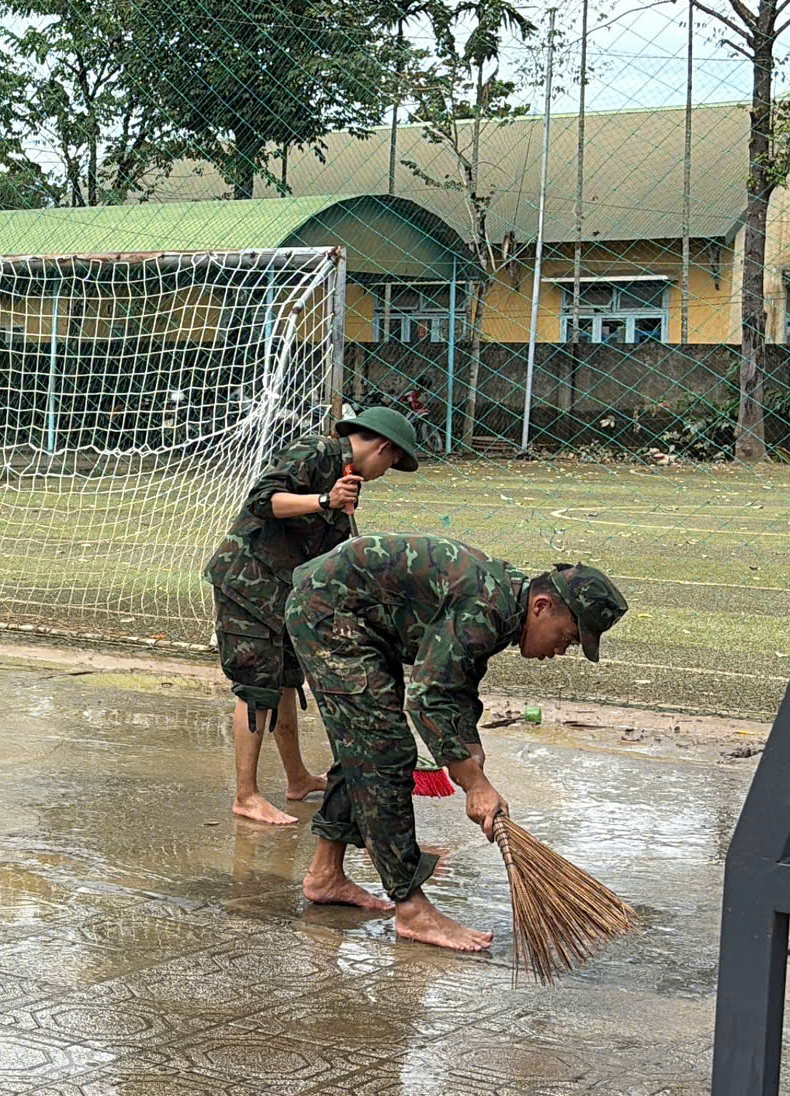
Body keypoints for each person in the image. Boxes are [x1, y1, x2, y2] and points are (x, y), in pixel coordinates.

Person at [285, 534, 627, 952]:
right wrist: (473, 782)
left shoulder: (504, 607)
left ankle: (325, 874)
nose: (562, 650)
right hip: (328, 611)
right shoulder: (487, 605)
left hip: (363, 618)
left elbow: (456, 678)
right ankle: (410, 907)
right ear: (542, 607)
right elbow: (428, 695)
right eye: (569, 637)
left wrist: (469, 748)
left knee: (362, 741)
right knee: (382, 750)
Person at [202, 407, 425, 827]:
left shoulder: (346, 481)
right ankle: (246, 796)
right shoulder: (316, 451)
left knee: (287, 681)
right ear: (382, 447)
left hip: (284, 593)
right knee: (256, 687)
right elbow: (262, 500)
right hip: (248, 585)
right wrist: (324, 499)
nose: (386, 470)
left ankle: (298, 779)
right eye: (392, 463)